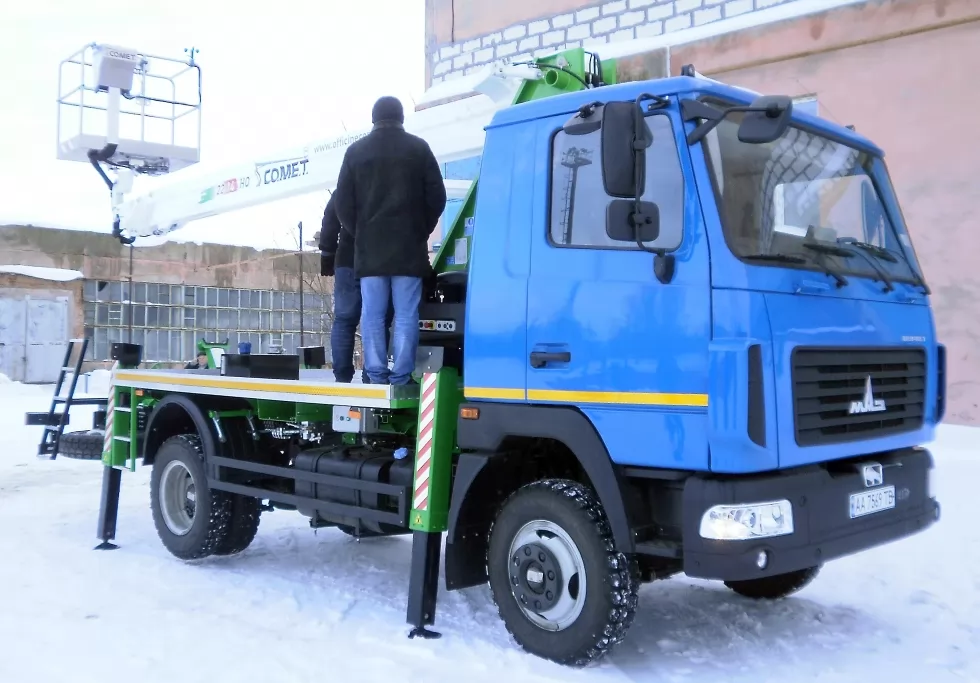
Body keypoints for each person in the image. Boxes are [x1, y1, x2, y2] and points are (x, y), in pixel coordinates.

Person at [334, 96, 446, 386]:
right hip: (408, 249)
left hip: (370, 252)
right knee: (407, 314)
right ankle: (401, 375)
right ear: (401, 118)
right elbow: (437, 197)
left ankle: (376, 373)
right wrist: (421, 229)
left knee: (372, 315)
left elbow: (342, 204)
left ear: (373, 119)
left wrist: (361, 232)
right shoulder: (418, 149)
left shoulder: (356, 152)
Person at [319, 192, 393, 383]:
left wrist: (327, 253)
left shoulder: (347, 185)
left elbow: (330, 219)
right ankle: (372, 375)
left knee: (344, 319)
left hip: (347, 259)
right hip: (377, 260)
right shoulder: (385, 183)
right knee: (378, 319)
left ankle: (342, 376)